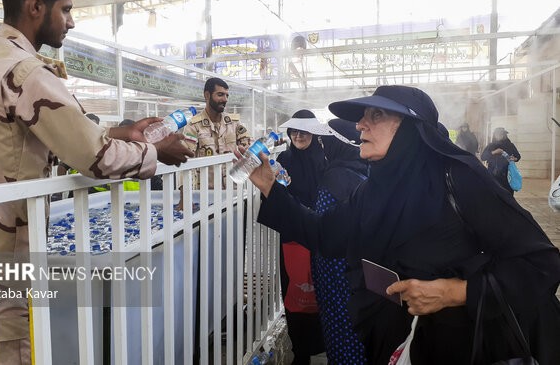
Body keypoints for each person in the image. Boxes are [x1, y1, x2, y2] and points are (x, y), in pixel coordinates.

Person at [0, 0, 193, 364]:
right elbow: (96, 159)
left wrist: (118, 131)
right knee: (8, 352)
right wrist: (153, 151)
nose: (71, 22)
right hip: (1, 259)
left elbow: (24, 134)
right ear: (36, 6)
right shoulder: (26, 71)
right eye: (67, 9)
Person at [239, 85, 559, 365]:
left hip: (471, 342)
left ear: (410, 128)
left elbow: (540, 262)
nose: (360, 124)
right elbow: (325, 233)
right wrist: (270, 187)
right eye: (364, 115)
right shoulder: (374, 189)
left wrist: (456, 291)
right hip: (404, 340)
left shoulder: (460, 179)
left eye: (376, 116)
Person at [310, 119, 368, 364]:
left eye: (325, 142)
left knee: (339, 327)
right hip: (358, 268)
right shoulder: (364, 169)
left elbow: (323, 227)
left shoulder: (333, 178)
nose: (323, 147)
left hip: (334, 271)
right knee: (358, 325)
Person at [276, 110, 326, 365]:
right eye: (294, 131)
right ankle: (301, 351)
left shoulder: (325, 158)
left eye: (304, 130)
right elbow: (279, 194)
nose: (298, 135)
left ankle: (324, 343)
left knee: (321, 290)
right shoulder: (284, 158)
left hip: (320, 233)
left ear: (314, 132)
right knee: (293, 291)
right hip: (293, 234)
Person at [178, 77, 252, 208]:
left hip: (233, 193)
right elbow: (184, 160)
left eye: (226, 95)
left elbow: (249, 144)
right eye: (220, 94)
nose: (225, 99)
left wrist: (270, 145)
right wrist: (185, 197)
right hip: (206, 196)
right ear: (207, 95)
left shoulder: (234, 123)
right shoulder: (194, 126)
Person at [481, 127, 521, 195]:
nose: (499, 136)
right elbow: (483, 157)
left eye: (501, 135)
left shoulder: (510, 145)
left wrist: (513, 159)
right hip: (493, 174)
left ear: (504, 135)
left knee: (507, 194)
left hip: (506, 175)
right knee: (494, 195)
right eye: (497, 134)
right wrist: (494, 152)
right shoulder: (490, 146)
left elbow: (518, 157)